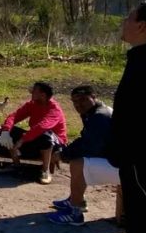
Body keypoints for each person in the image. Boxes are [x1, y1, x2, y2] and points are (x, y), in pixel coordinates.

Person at [106, 2, 146, 233]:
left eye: (128, 18)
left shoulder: (144, 65)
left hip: (140, 168)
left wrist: (124, 154)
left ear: (142, 26)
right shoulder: (138, 60)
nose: (124, 22)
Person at [47, 86, 116, 225]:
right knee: (78, 160)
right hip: (114, 159)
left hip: (123, 167)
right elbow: (86, 139)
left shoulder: (100, 116)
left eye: (83, 100)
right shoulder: (92, 112)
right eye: (75, 101)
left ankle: (75, 213)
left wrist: (63, 155)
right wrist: (65, 152)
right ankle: (77, 199)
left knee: (78, 163)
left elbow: (90, 147)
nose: (78, 105)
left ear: (94, 96)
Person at [0, 82, 68, 184]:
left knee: (46, 135)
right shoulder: (32, 104)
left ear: (43, 95)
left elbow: (42, 127)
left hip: (55, 145)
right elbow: (14, 116)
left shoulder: (54, 109)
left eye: (34, 91)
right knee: (10, 130)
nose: (31, 92)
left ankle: (45, 170)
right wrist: (5, 131)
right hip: (35, 139)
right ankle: (16, 165)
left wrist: (22, 140)